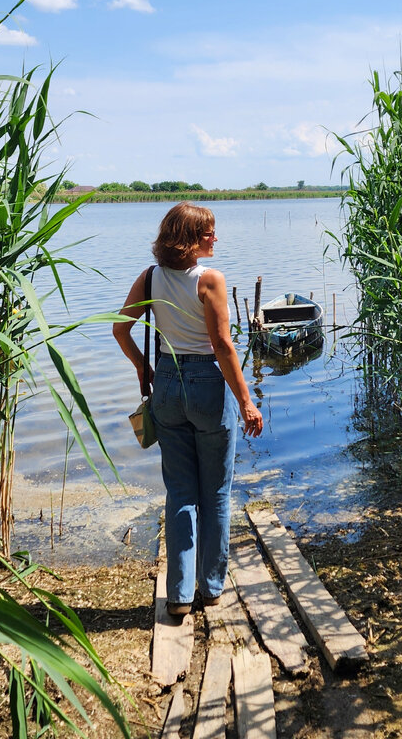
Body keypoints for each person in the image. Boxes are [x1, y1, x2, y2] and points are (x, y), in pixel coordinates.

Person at [113, 202, 263, 615]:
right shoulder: (209, 280)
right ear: (189, 238)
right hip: (206, 386)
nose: (215, 238)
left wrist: (144, 368)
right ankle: (211, 588)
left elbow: (119, 329)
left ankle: (178, 596)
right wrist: (247, 401)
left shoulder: (149, 279)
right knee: (215, 493)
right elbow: (222, 345)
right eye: (208, 232)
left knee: (180, 491)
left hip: (166, 382)